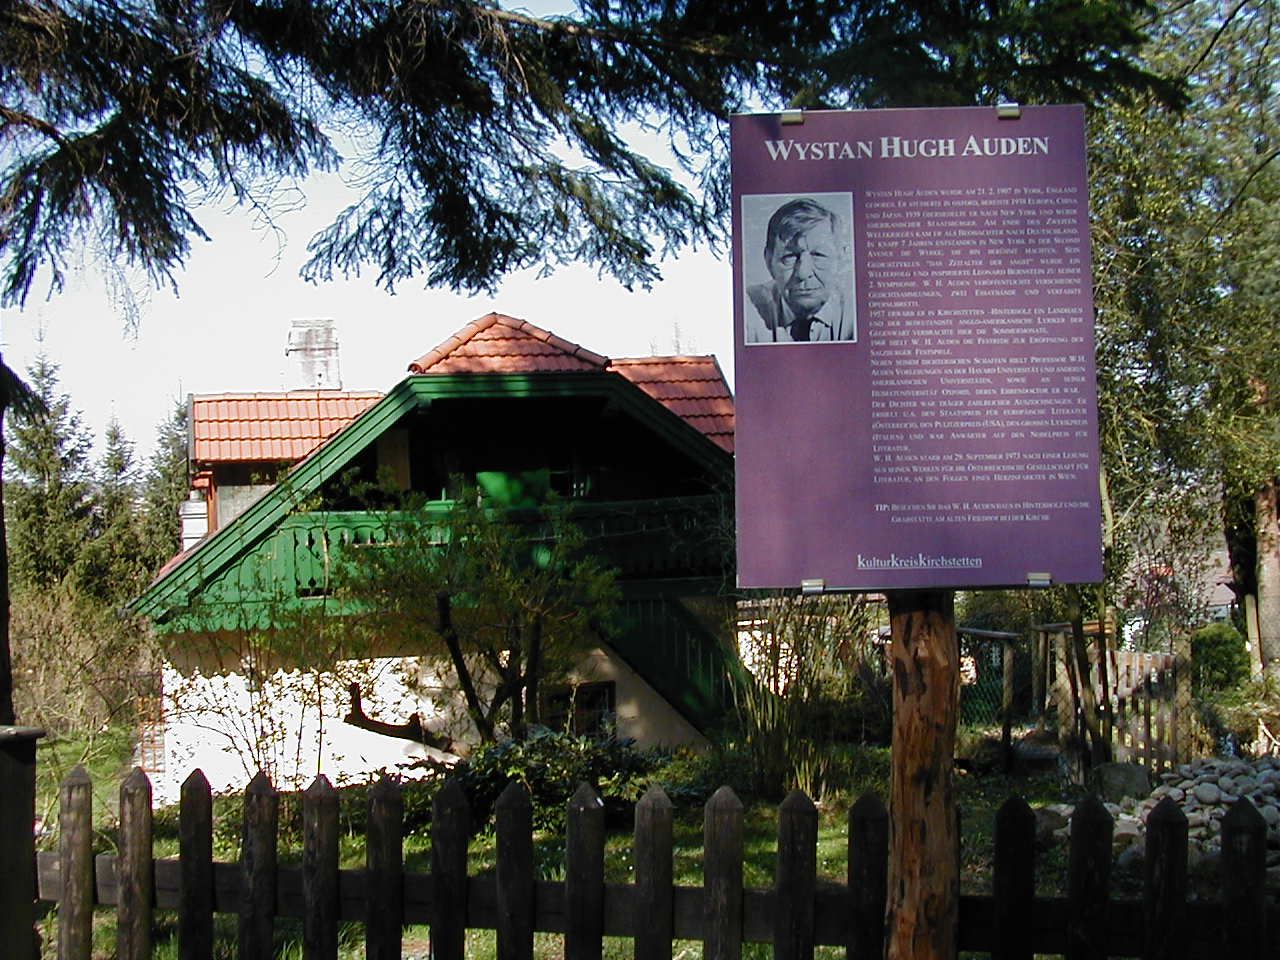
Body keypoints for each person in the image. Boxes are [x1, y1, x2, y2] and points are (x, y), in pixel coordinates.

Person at [745, 197, 853, 343]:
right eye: (789, 257)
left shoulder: (859, 312)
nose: (803, 273)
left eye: (818, 255)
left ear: (840, 259)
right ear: (768, 261)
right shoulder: (747, 309)